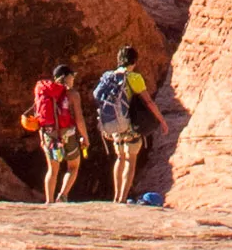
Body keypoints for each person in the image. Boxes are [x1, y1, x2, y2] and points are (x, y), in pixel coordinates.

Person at [91, 46, 152, 201]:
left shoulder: (109, 77)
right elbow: (148, 101)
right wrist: (162, 121)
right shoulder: (134, 77)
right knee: (131, 160)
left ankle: (116, 195)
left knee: (119, 158)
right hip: (130, 124)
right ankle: (122, 197)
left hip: (114, 124)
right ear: (134, 61)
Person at [29, 61, 87, 203]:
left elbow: (38, 116)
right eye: (72, 76)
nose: (73, 79)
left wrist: (42, 138)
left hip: (48, 134)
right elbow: (79, 119)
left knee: (52, 170)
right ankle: (62, 196)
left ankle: (49, 201)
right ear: (66, 77)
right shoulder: (72, 94)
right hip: (68, 134)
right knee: (73, 166)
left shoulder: (44, 92)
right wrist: (85, 137)